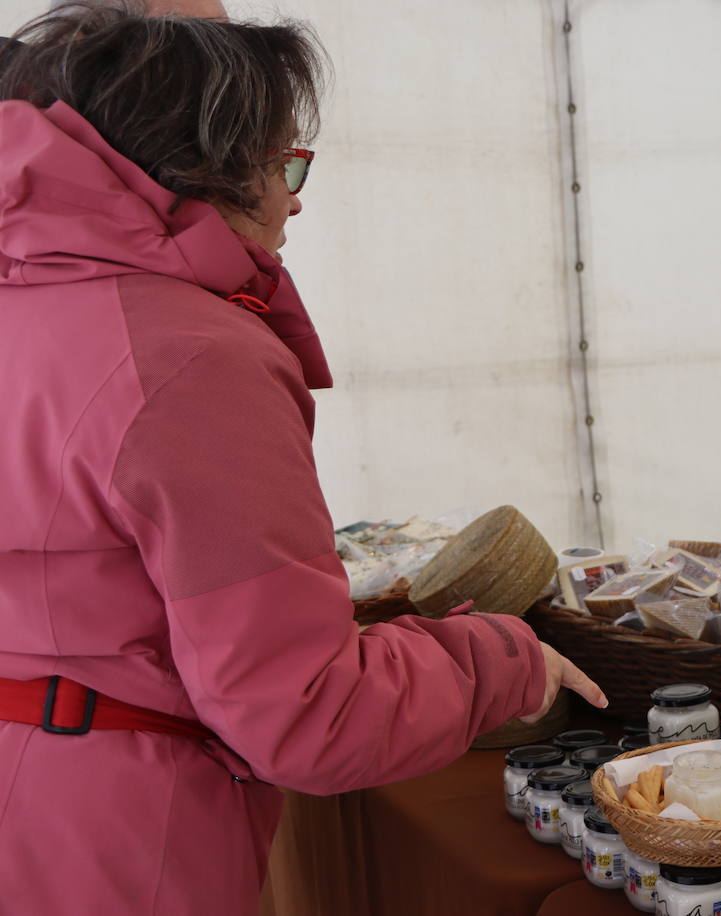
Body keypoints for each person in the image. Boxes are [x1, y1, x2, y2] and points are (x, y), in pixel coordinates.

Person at [0, 6, 604, 914]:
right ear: (205, 164)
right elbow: (307, 714)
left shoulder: (30, 296)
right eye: (285, 162)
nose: (295, 195)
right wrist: (504, 657)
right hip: (123, 831)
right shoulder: (190, 355)